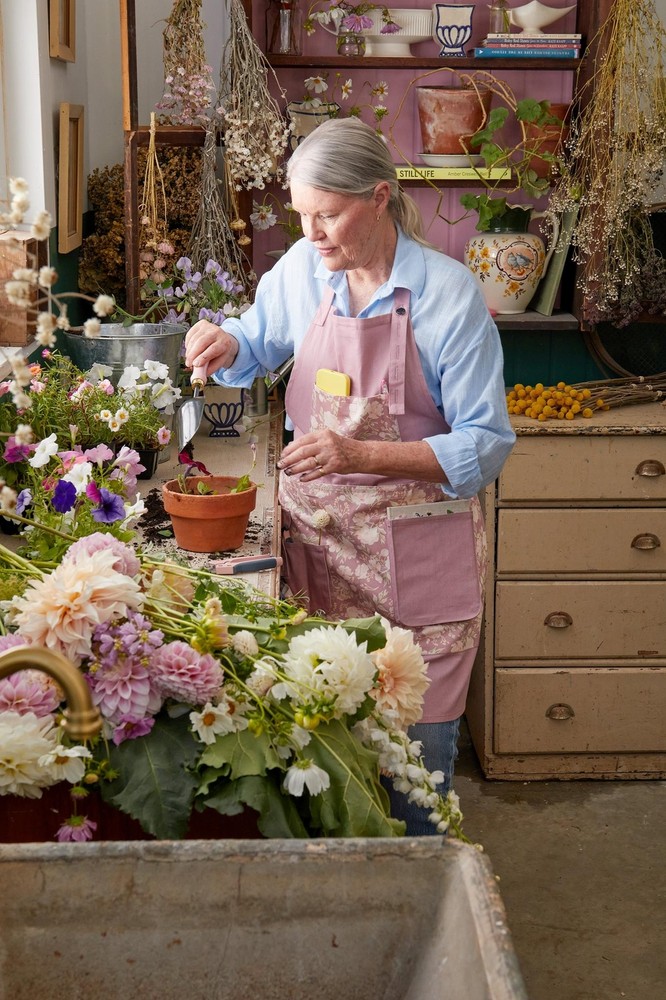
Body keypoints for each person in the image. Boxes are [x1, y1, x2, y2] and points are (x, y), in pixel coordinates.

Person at [184, 117, 515, 834]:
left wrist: (360, 455)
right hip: (319, 549)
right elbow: (255, 341)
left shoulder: (448, 297)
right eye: (302, 214)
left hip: (420, 557)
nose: (311, 233)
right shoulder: (306, 271)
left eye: (327, 215)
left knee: (413, 770)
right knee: (322, 753)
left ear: (381, 197)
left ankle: (426, 903)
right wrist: (223, 339)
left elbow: (486, 444)